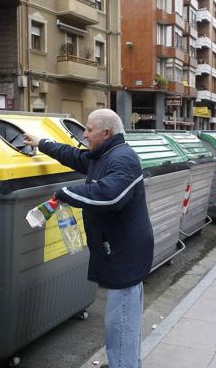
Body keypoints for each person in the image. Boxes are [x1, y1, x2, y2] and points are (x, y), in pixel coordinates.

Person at [23, 109, 154, 368]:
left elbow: (110, 196)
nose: (84, 134)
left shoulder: (123, 159)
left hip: (125, 254)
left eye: (89, 129)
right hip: (120, 250)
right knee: (124, 323)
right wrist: (41, 143)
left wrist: (65, 193)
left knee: (121, 324)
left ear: (106, 133)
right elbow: (74, 155)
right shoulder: (103, 155)